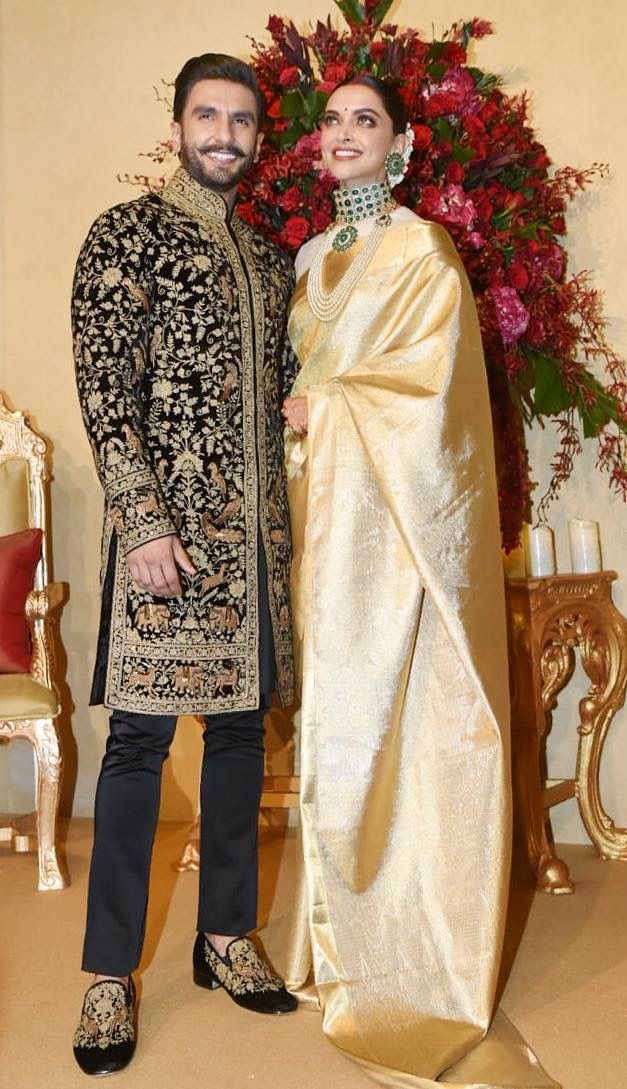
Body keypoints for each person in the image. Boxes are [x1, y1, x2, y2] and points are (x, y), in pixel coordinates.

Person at [282, 77, 557, 1089]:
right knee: (336, 727)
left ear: (400, 149)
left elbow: (435, 399)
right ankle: (341, 938)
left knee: (391, 721)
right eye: (333, 122)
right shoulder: (313, 260)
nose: (345, 133)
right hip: (330, 523)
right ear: (316, 152)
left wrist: (330, 406)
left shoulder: (423, 252)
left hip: (395, 535)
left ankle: (411, 949)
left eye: (367, 120)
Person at [71, 52, 298, 1077]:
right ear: (177, 128)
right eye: (207, 116)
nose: (224, 134)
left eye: (241, 120)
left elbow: (292, 388)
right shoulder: (125, 236)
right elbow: (105, 388)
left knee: (241, 740)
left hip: (254, 557)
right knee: (137, 748)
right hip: (164, 549)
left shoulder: (268, 259)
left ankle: (225, 936)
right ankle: (110, 976)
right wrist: (142, 519)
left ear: (258, 137)